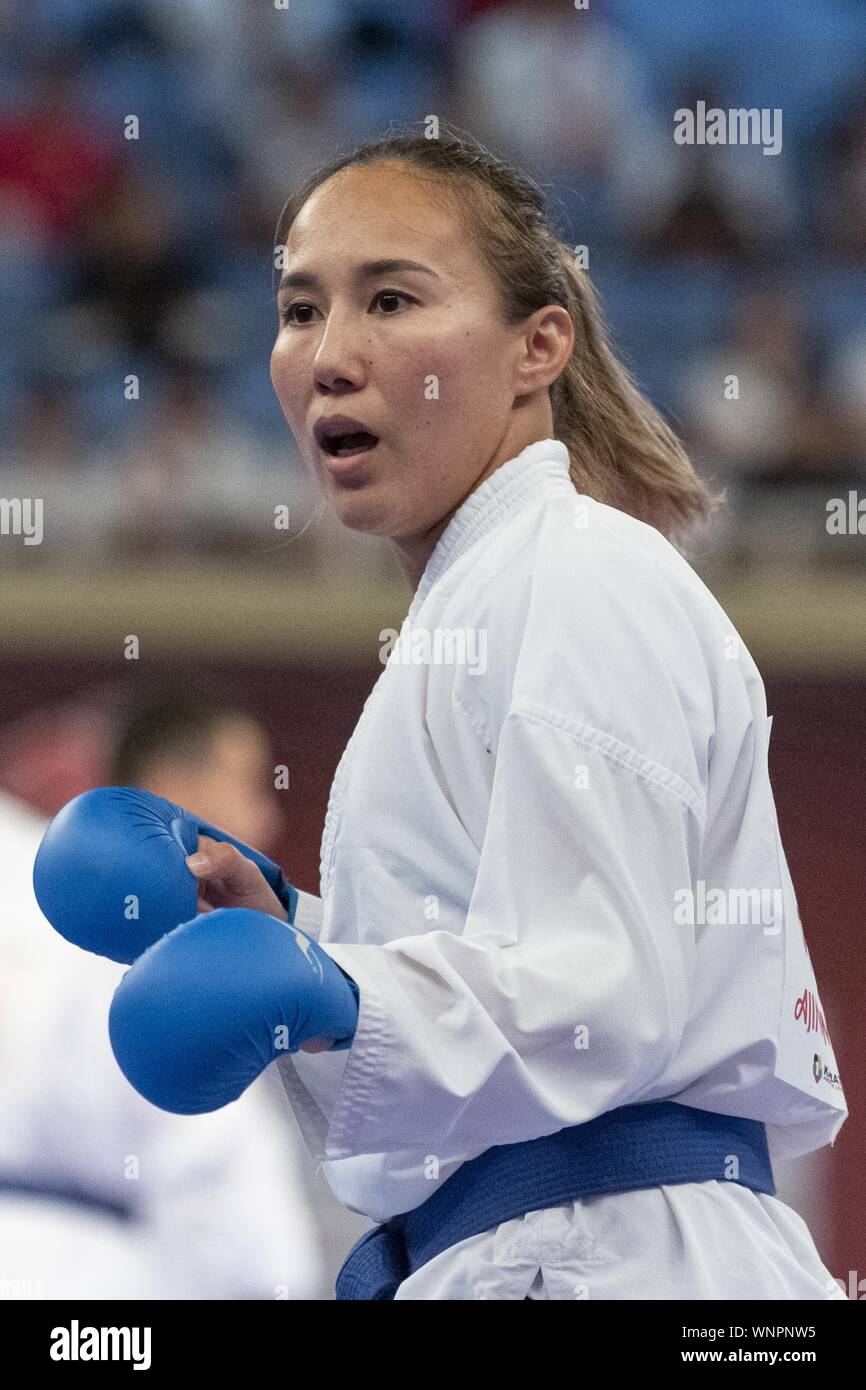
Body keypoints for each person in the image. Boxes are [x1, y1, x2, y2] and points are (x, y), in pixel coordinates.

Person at [39, 129, 848, 1301]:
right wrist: (297, 930)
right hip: (526, 1248)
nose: (328, 356)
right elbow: (511, 982)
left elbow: (600, 991)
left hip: (617, 1254)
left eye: (391, 299)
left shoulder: (576, 571)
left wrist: (335, 991)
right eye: (300, 309)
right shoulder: (485, 603)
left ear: (538, 347)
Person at [0, 701, 327, 1300]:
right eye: (250, 786)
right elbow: (228, 1207)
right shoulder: (151, 943)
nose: (267, 818)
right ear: (173, 792)